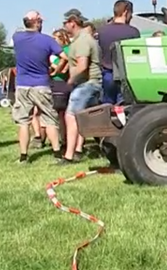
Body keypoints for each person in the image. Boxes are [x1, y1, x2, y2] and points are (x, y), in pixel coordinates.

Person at [11, 10, 67, 164]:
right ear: (38, 23)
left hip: (22, 84)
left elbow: (19, 32)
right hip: (42, 83)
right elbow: (64, 57)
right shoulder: (47, 40)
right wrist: (56, 70)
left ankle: (23, 156)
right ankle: (56, 153)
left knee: (23, 121)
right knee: (49, 118)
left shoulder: (17, 38)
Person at [63, 11, 102, 162]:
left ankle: (68, 156)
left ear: (72, 22)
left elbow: (82, 66)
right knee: (85, 119)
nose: (64, 25)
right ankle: (78, 150)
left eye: (65, 22)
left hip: (87, 84)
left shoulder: (82, 41)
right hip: (91, 83)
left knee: (71, 116)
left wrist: (70, 80)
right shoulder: (83, 39)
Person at [97, 0, 140, 105]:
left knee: (107, 108)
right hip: (126, 76)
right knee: (125, 108)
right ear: (126, 12)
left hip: (107, 75)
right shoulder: (133, 32)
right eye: (131, 13)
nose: (131, 17)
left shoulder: (102, 31)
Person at [49, 29, 72, 145]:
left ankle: (64, 140)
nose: (53, 41)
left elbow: (63, 66)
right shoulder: (68, 49)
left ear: (62, 38)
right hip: (66, 83)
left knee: (61, 114)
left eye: (55, 39)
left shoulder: (65, 50)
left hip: (60, 83)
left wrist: (53, 69)